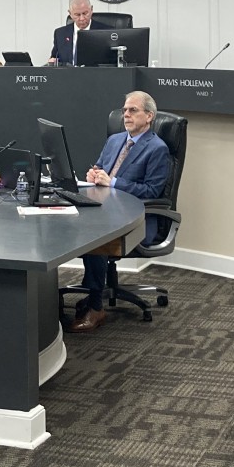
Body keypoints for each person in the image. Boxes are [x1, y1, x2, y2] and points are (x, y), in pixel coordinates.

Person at [71, 90, 170, 333]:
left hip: (137, 220)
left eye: (132, 110)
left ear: (149, 116)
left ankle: (96, 308)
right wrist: (93, 175)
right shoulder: (115, 140)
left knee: (94, 239)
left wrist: (112, 183)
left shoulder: (157, 148)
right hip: (105, 209)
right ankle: (92, 288)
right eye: (125, 110)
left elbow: (151, 191)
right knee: (72, 224)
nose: (125, 114)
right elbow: (99, 169)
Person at [49, 0, 93, 65]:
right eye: (77, 15)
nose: (82, 18)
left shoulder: (105, 31)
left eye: (85, 13)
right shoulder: (60, 34)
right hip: (67, 75)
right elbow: (55, 58)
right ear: (70, 14)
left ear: (91, 10)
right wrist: (53, 61)